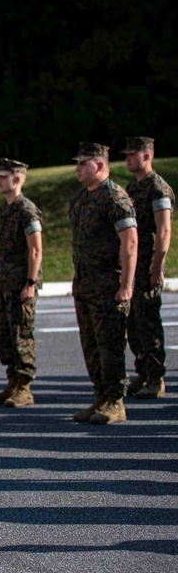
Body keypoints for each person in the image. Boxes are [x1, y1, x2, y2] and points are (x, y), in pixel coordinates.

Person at [69, 142, 138, 425]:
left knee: (110, 345)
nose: (78, 169)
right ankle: (101, 397)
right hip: (85, 286)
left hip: (109, 286)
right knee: (92, 345)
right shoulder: (80, 199)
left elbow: (130, 243)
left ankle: (115, 402)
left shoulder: (116, 198)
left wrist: (126, 285)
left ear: (100, 165)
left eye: (83, 163)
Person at [0, 158, 43, 408]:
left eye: (3, 176)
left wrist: (30, 282)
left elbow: (35, 250)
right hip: (4, 284)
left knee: (21, 333)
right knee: (6, 335)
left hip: (21, 285)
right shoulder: (5, 210)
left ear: (17, 179)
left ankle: (24, 387)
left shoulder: (26, 210)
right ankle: (13, 382)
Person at [122, 137, 173, 399]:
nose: (128, 158)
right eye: (127, 154)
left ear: (148, 155)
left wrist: (157, 267)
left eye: (134, 154)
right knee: (134, 322)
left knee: (149, 322)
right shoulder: (133, 187)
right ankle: (142, 372)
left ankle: (156, 377)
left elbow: (164, 231)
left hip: (147, 266)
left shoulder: (158, 188)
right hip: (133, 268)